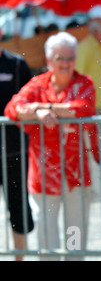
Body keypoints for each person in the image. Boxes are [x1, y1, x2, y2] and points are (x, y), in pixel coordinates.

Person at [4, 32, 98, 260]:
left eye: (69, 58)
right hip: (43, 174)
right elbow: (12, 108)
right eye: (59, 58)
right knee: (47, 238)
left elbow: (83, 107)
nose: (65, 63)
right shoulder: (37, 83)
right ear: (49, 60)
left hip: (76, 172)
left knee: (75, 233)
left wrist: (44, 107)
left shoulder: (84, 82)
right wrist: (37, 111)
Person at [0, 47, 34, 260]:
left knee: (18, 210)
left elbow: (30, 96)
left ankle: (19, 258)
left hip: (14, 152)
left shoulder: (17, 63)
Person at [75, 17, 101, 149]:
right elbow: (77, 77)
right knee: (94, 149)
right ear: (96, 31)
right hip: (92, 108)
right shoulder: (85, 48)